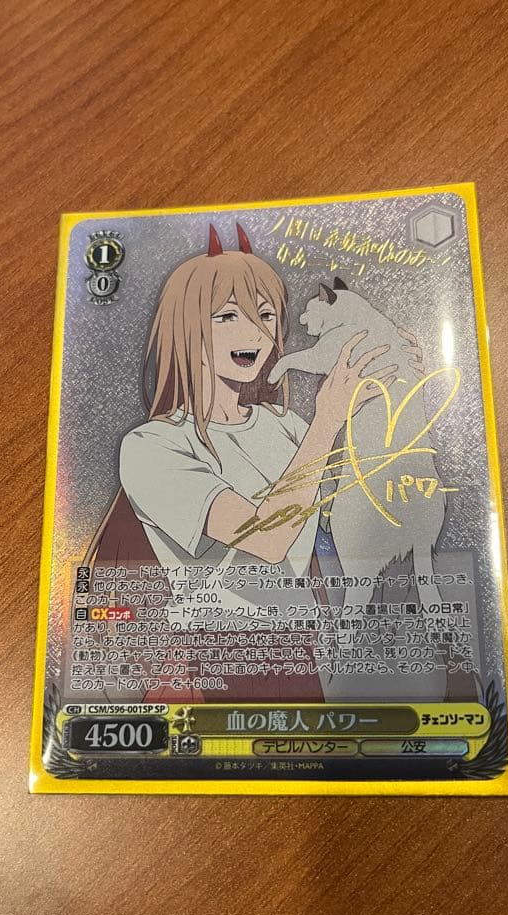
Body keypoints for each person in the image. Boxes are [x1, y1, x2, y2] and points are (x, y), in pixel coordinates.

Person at [87, 224, 422, 702]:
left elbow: (356, 506)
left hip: (297, 648)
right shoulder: (152, 445)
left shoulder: (285, 425)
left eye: (265, 315)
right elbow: (265, 539)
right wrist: (327, 420)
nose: (254, 333)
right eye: (227, 316)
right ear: (187, 328)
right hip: (215, 654)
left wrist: (397, 383)